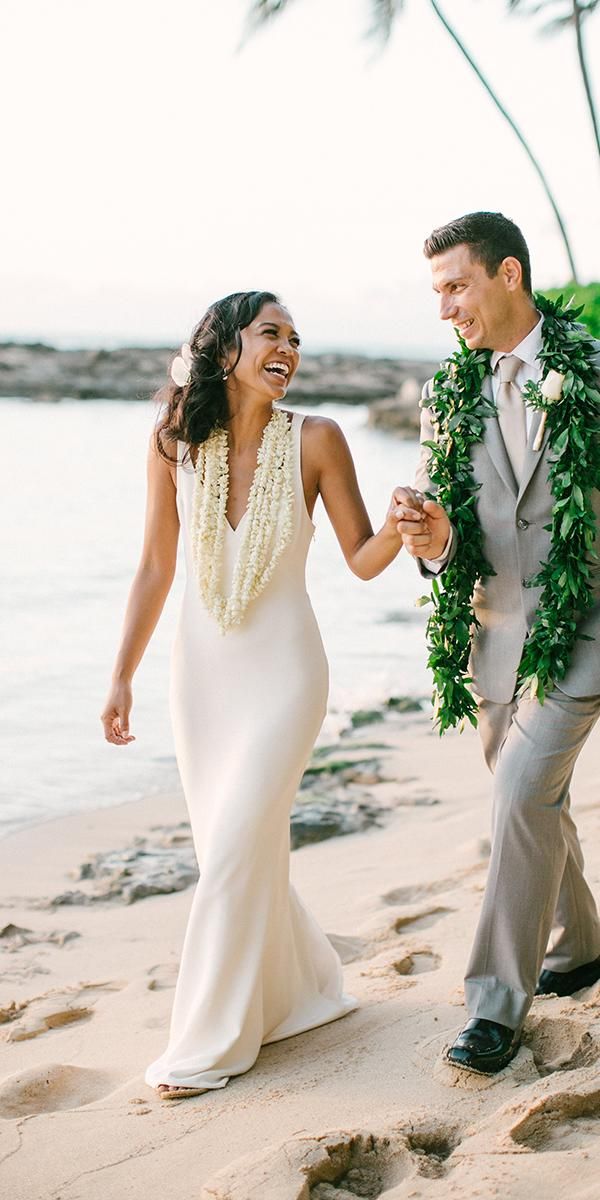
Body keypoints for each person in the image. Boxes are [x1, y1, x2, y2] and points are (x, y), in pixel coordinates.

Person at [101, 290, 405, 1099]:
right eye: (272, 332)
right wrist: (122, 673)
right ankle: (301, 990)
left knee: (234, 851)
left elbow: (364, 558)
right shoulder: (173, 444)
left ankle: (205, 1045)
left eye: (296, 339)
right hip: (198, 681)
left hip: (286, 676)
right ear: (225, 346)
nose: (289, 349)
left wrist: (411, 521)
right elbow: (156, 568)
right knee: (237, 853)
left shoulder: (318, 438)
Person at [394, 212, 600, 1075]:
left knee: (518, 794)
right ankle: (581, 945)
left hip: (585, 624)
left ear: (507, 275)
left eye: (456, 286)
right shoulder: (448, 395)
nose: (445, 308)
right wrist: (433, 539)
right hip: (494, 633)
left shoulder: (590, 368)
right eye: (436, 291)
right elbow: (455, 546)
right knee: (534, 804)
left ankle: (493, 1008)